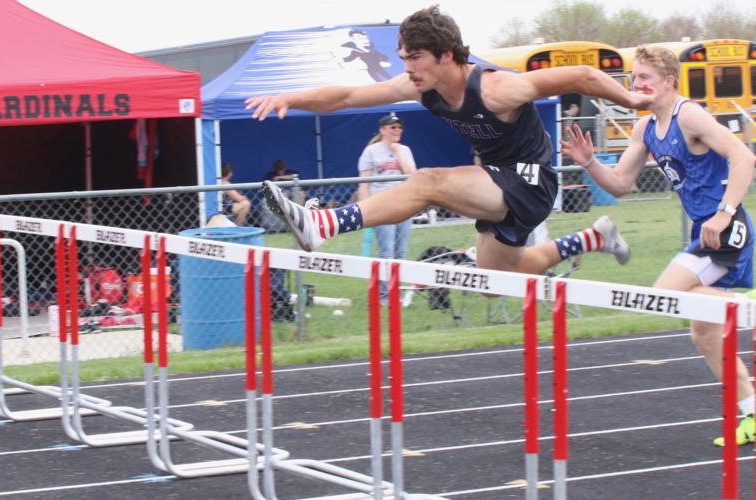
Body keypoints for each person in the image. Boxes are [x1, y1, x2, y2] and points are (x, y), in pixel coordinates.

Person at [245, 6, 652, 281]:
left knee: (428, 181)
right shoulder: (420, 88)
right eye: (404, 57)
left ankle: (326, 224)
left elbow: (580, 74)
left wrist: (631, 100)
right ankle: (592, 237)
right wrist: (291, 98)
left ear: (446, 56)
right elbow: (348, 97)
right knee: (498, 278)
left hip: (531, 179)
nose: (408, 68)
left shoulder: (495, 90)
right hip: (497, 183)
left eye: (416, 57)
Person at [560, 44, 756, 446]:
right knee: (703, 332)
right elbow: (620, 185)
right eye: (634, 78)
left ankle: (747, 309)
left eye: (645, 77)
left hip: (726, 228)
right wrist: (588, 162)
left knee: (664, 294)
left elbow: (743, 156)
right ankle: (752, 414)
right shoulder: (644, 128)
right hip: (702, 230)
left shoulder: (690, 114)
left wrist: (724, 212)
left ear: (669, 81)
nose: (637, 84)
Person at [358, 112, 417, 302]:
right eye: (393, 127)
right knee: (387, 250)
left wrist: (398, 152)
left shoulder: (405, 150)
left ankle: (396, 293)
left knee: (401, 251)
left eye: (400, 127)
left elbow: (413, 176)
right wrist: (364, 210)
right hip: (382, 205)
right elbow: (364, 184)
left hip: (404, 204)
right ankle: (385, 296)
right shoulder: (371, 151)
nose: (397, 130)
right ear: (383, 130)